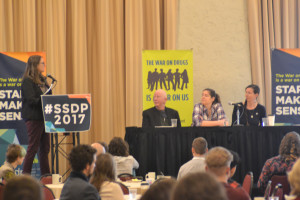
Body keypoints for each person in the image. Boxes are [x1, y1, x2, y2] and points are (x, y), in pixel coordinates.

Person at [21, 55, 52, 175]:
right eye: (42, 63)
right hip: (34, 118)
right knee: (33, 148)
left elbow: (49, 97)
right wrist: (43, 98)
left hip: (45, 119)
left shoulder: (43, 80)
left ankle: (46, 176)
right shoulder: (27, 81)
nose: (44, 65)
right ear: (35, 65)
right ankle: (25, 176)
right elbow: (31, 100)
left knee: (45, 149)